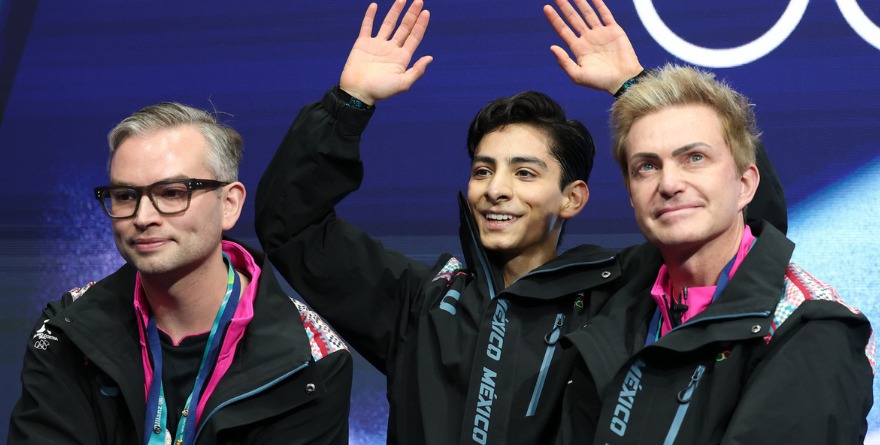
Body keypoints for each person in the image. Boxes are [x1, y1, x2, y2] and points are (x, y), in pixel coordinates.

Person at [255, 0, 790, 444]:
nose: (497, 188)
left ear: (573, 198)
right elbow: (291, 224)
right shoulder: (419, 303)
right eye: (483, 170)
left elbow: (744, 230)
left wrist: (636, 89)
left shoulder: (618, 295)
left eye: (525, 172)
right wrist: (349, 105)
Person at [8, 102, 353, 444]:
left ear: (229, 204)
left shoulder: (313, 357)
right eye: (125, 196)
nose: (143, 217)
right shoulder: (65, 328)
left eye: (172, 193)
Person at [568, 63, 875, 444]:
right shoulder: (611, 304)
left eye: (694, 158)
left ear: (745, 185)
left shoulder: (811, 330)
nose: (669, 183)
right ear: (631, 194)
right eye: (647, 166)